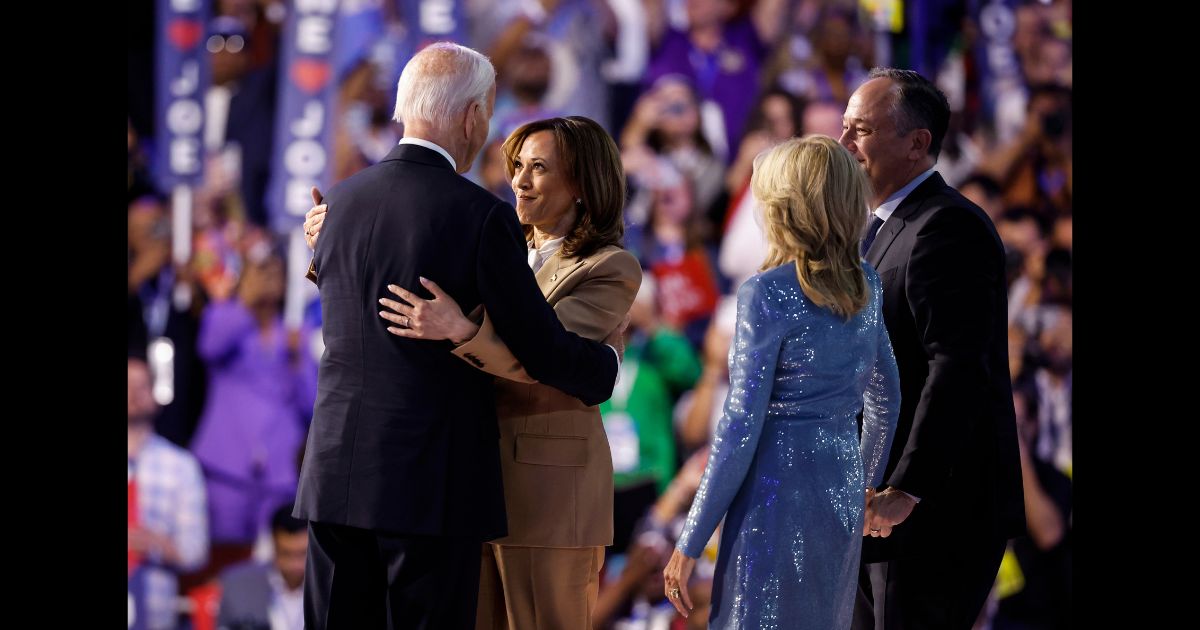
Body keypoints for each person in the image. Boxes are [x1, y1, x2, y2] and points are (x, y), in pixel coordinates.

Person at [292, 43, 623, 629]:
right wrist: (601, 368)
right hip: (430, 489)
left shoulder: (335, 204)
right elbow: (542, 348)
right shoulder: (479, 215)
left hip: (334, 475)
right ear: (472, 117)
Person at [661, 135, 901, 628]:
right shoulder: (867, 284)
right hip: (839, 487)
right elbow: (887, 399)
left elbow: (738, 428)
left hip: (774, 491)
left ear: (784, 208)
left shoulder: (766, 293)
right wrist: (864, 486)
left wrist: (690, 540)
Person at [841, 68, 1025, 630]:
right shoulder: (873, 228)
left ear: (917, 143)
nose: (845, 144)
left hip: (934, 510)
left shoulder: (947, 227)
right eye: (845, 127)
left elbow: (957, 367)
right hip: (879, 509)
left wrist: (907, 488)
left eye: (862, 130)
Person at [128, 356, 210, 630]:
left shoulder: (181, 466)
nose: (131, 394)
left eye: (140, 386)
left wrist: (154, 543)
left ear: (155, 395)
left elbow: (195, 552)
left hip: (156, 613)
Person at [216, 503, 308, 630]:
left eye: (303, 554)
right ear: (273, 546)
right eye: (286, 554)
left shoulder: (329, 589)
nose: (295, 564)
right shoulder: (238, 584)